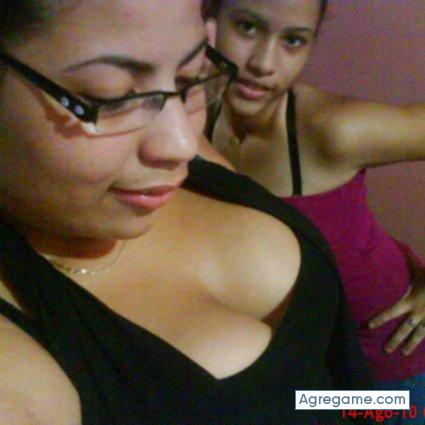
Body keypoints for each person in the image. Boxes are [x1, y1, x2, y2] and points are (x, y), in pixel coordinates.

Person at [0, 1, 373, 424]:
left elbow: (324, 396)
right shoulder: (19, 384)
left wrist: (394, 408)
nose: (182, 144)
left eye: (191, 78)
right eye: (113, 97)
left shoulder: (173, 153)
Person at [202, 0, 425, 420]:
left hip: (383, 373)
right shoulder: (185, 116)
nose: (264, 63)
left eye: (293, 40)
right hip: (294, 366)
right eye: (247, 27)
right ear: (209, 20)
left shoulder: (333, 130)